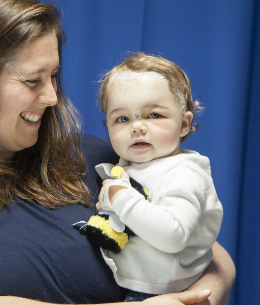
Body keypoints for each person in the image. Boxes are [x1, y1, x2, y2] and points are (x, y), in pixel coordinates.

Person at [0, 1, 235, 304]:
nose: (52, 97)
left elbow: (204, 251)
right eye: (32, 80)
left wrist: (199, 298)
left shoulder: (95, 159)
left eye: (53, 76)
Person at [90, 52, 223, 302]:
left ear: (184, 125)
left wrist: (121, 199)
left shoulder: (183, 173)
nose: (137, 126)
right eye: (122, 118)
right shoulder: (130, 166)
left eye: (154, 115)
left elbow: (174, 236)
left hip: (162, 292)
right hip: (133, 285)